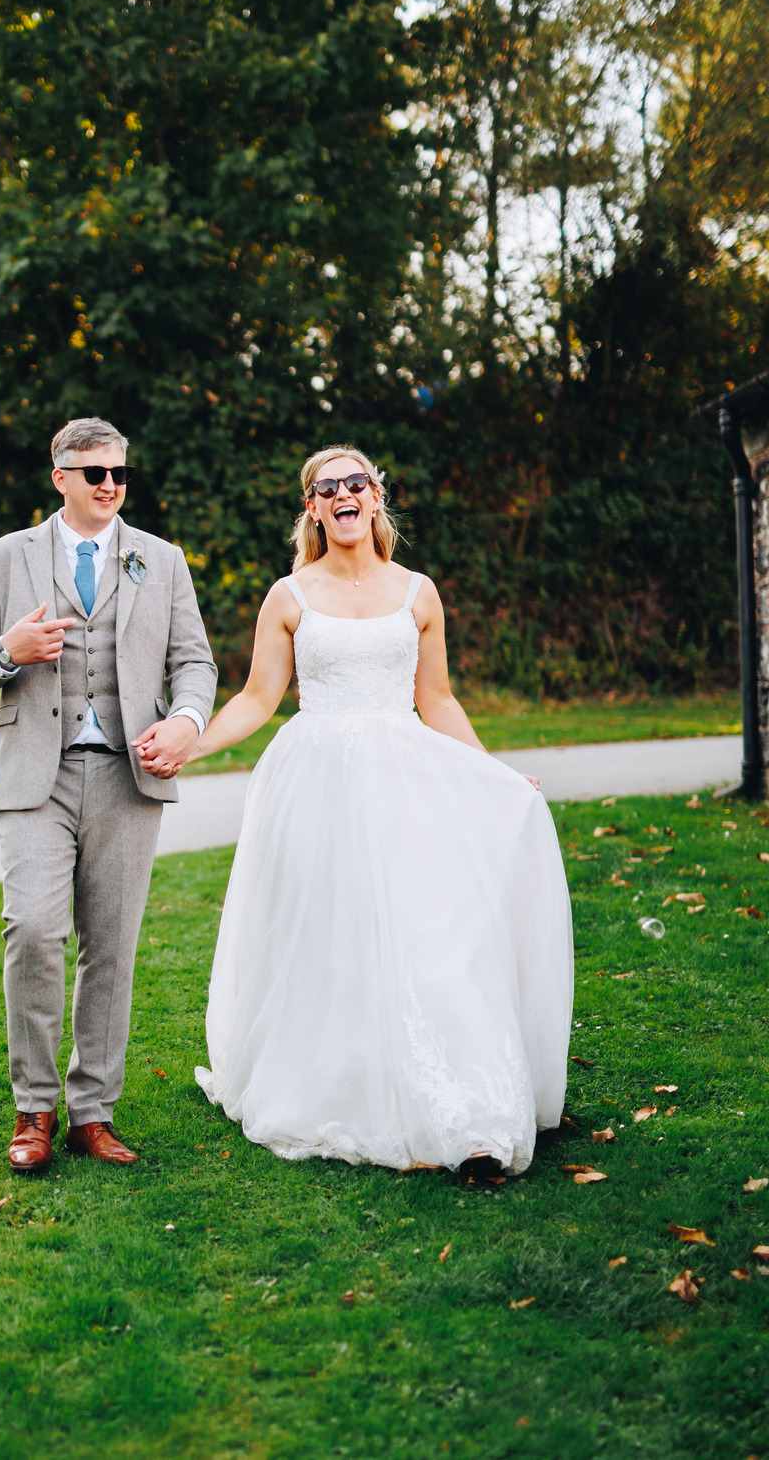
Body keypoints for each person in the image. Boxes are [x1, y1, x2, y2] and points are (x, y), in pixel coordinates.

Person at [184, 445, 573, 1176]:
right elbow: (257, 699)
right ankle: (342, 1082)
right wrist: (192, 746)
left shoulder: (417, 592)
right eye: (324, 488)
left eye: (353, 483)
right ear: (311, 508)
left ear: (374, 496)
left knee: (428, 934)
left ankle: (469, 1121)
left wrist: (490, 774)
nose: (341, 496)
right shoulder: (288, 595)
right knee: (332, 936)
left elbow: (438, 699)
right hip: (314, 783)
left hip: (403, 779)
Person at [0, 417, 217, 1172]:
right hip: (37, 773)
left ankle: (91, 1114)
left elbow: (194, 662)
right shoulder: (5, 558)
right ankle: (33, 1108)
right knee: (32, 930)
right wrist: (9, 651)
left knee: (113, 948)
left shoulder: (160, 561)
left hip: (130, 777)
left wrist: (188, 720)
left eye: (118, 474)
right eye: (93, 472)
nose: (108, 485)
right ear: (59, 476)